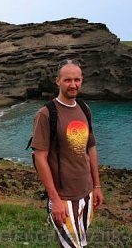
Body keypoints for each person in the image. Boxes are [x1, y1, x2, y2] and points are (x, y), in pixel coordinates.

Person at [30, 59, 104, 247]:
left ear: (82, 80)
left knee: (80, 242)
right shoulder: (46, 114)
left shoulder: (84, 109)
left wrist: (96, 186)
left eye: (77, 80)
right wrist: (54, 199)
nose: (73, 85)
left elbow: (91, 148)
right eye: (68, 80)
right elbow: (40, 158)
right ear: (58, 81)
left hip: (86, 192)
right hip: (63, 197)